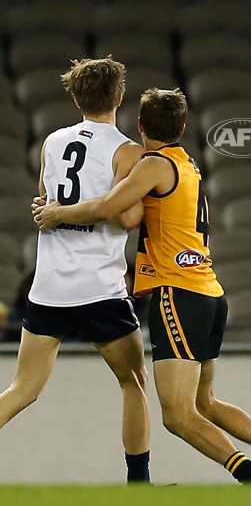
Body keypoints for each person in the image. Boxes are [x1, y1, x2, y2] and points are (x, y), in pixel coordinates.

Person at [33, 87, 251, 485]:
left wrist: (56, 213)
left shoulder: (152, 166)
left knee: (178, 416)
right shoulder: (186, 163)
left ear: (139, 126)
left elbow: (109, 209)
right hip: (209, 294)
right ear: (183, 128)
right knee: (206, 402)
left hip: (178, 294)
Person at [0, 56, 151, 483]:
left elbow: (45, 203)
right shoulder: (127, 151)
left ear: (76, 97)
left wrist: (59, 211)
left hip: (48, 286)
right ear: (119, 97)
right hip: (99, 286)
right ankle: (139, 484)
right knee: (133, 382)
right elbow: (127, 218)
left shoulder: (52, 141)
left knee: (22, 389)